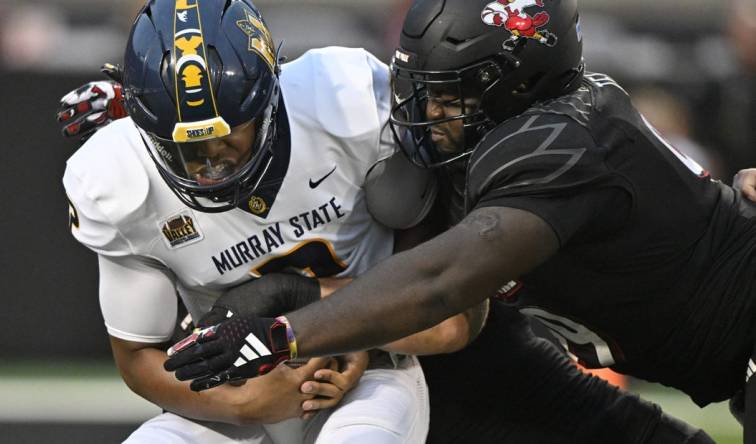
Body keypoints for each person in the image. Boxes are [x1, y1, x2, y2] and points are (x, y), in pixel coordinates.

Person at [163, 0, 756, 442]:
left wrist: (283, 333)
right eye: (420, 91)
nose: (426, 114)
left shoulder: (562, 137)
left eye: (449, 97)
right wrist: (157, 95)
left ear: (518, 86)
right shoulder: (495, 149)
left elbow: (441, 283)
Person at [61, 0, 443, 442]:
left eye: (227, 135)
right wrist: (241, 403)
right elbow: (137, 355)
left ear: (269, 99)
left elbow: (447, 317)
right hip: (230, 383)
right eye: (186, 147)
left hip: (367, 373)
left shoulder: (346, 102)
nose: (210, 163)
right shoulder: (117, 178)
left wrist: (350, 334)